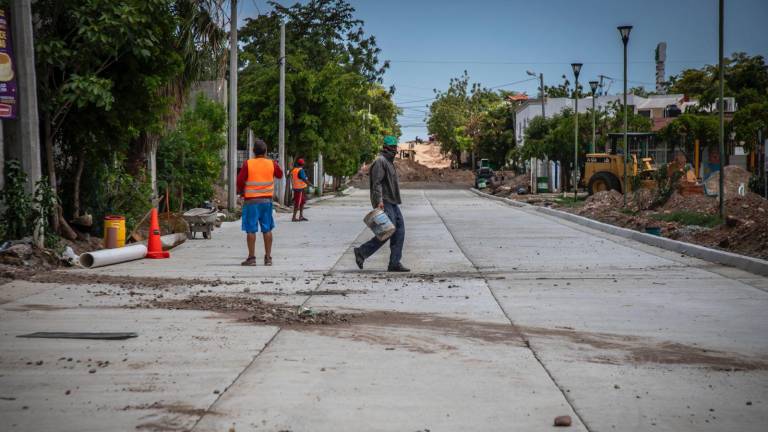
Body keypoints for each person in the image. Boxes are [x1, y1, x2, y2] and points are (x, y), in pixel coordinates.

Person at [353, 135, 410, 272]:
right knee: (387, 231)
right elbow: (377, 183)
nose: (395, 150)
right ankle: (362, 252)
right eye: (393, 148)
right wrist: (378, 202)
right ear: (386, 148)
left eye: (395, 147)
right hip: (384, 201)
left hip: (393, 201)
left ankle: (394, 263)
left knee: (399, 231)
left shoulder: (389, 162)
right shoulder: (380, 161)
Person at [236, 139, 283, 266]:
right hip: (266, 202)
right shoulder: (271, 163)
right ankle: (268, 258)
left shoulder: (248, 164)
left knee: (251, 230)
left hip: (251, 201)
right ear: (266, 151)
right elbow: (280, 174)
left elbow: (239, 181)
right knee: (267, 229)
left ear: (253, 151)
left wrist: (241, 192)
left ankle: (251, 258)